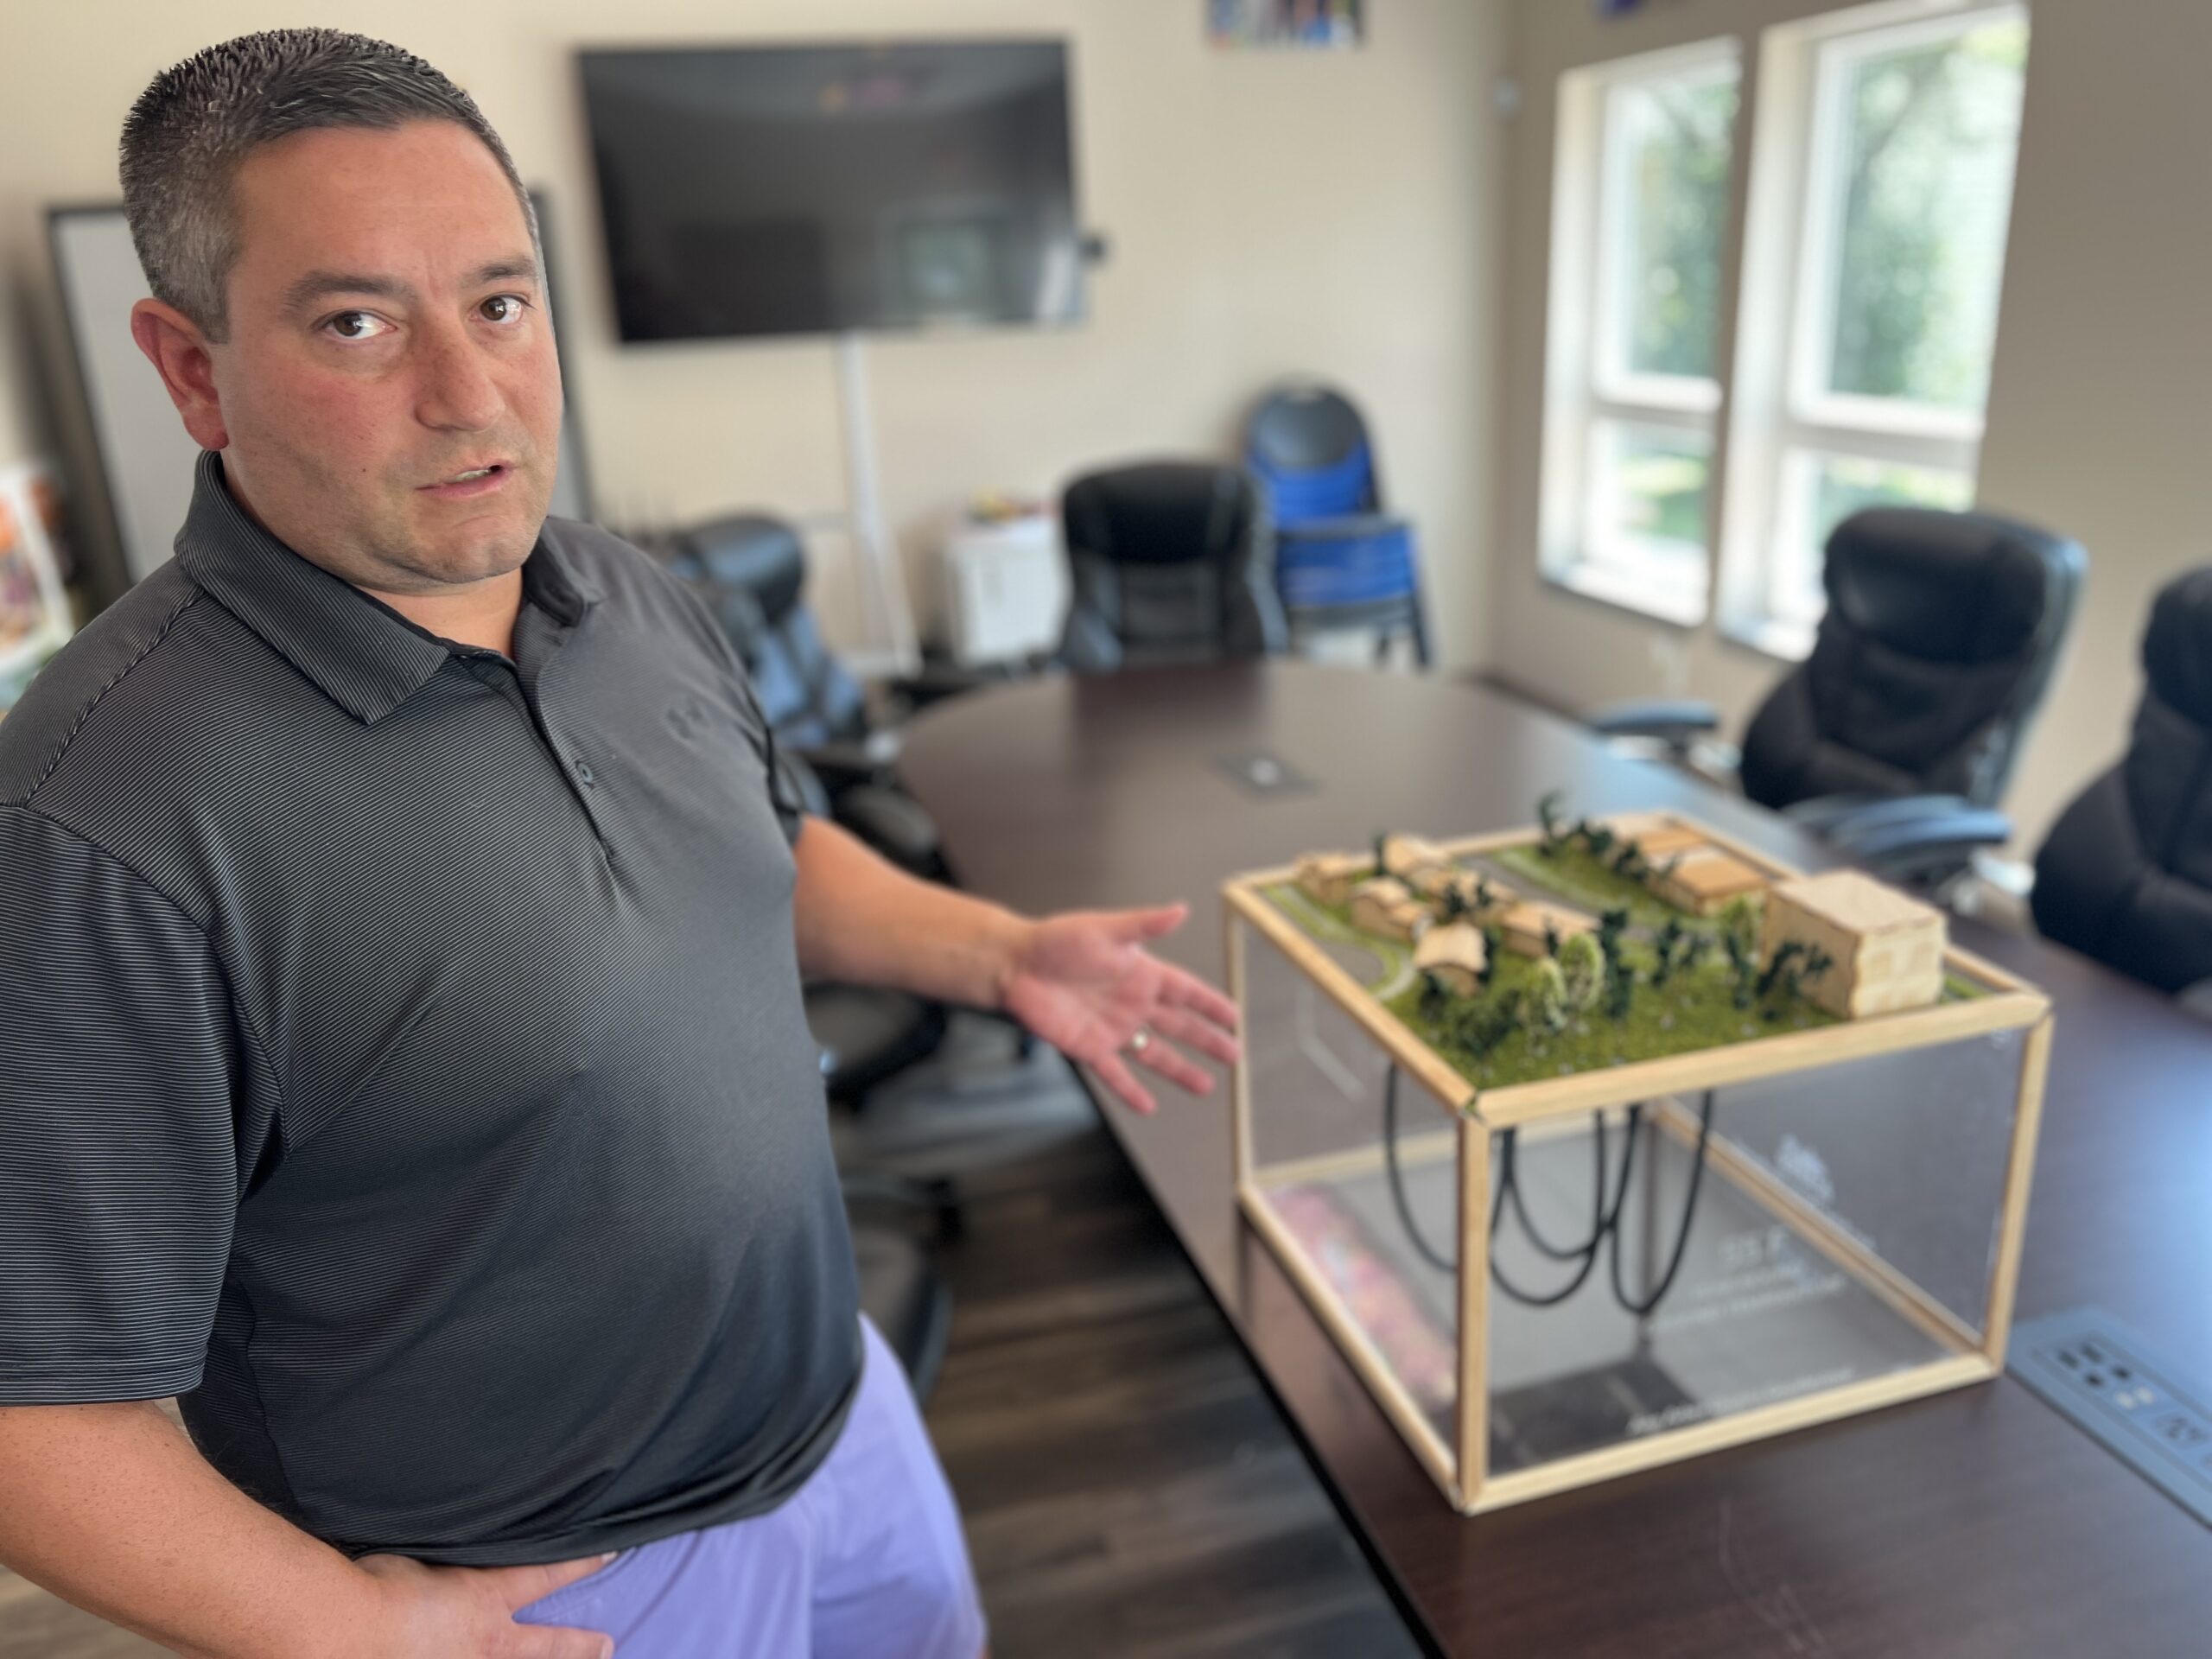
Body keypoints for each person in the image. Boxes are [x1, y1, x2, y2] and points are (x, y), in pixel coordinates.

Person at [0, 29, 1239, 1659]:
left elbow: (766, 854)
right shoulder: (100, 812)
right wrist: (353, 1636)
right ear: (191, 368)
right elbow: (37, 1411)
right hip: (553, 1585)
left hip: (835, 1416)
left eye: (500, 303)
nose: (469, 392)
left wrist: (999, 953)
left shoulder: (632, 596)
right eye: (358, 322)